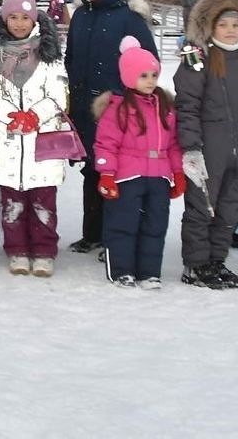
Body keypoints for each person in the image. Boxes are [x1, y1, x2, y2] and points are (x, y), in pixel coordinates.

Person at [174, 0, 238, 290]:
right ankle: (196, 264)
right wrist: (191, 147)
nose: (231, 30)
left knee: (229, 210)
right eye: (223, 25)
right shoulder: (198, 59)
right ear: (211, 26)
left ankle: (216, 260)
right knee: (202, 209)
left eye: (236, 25)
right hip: (207, 151)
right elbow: (187, 106)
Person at [63, 0, 156, 255]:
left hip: (119, 110)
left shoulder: (129, 18)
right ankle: (93, 233)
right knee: (92, 169)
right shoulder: (80, 15)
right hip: (84, 109)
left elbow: (148, 63)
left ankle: (116, 236)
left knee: (116, 171)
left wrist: (127, 97)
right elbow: (72, 57)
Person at [0, 0, 69, 277]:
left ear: (34, 19)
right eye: (13, 17)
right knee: (13, 203)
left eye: (24, 17)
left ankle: (43, 250)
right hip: (9, 143)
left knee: (43, 203)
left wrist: (35, 115)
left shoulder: (49, 55)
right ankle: (16, 249)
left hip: (43, 142)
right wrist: (12, 116)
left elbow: (58, 95)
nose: (18, 23)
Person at [93, 36, 183, 289]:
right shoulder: (118, 108)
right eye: (143, 75)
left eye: (154, 75)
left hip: (159, 177)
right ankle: (122, 270)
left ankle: (149, 272)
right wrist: (107, 174)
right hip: (127, 176)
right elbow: (106, 144)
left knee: (155, 226)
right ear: (130, 77)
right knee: (123, 224)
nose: (150, 81)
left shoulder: (165, 106)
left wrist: (177, 173)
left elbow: (174, 144)